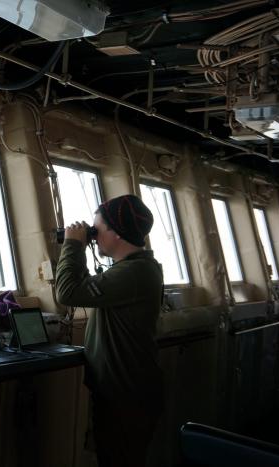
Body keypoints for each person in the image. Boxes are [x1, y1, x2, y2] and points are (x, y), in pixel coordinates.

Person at [55, 194, 164, 467]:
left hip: (126, 396)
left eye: (97, 229)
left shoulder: (135, 273)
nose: (93, 236)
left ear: (116, 233)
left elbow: (67, 291)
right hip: (122, 391)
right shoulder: (131, 270)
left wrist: (72, 243)